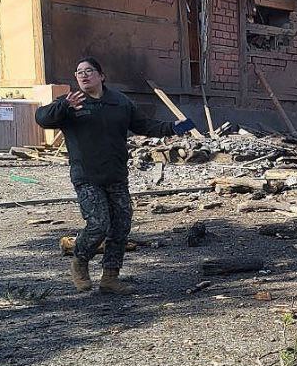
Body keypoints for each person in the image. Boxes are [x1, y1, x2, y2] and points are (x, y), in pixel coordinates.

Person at [36, 58, 194, 294]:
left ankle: (110, 278)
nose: (83, 75)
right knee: (98, 224)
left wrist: (174, 127)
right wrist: (64, 106)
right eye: (79, 72)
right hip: (87, 176)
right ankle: (79, 260)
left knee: (121, 226)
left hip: (116, 175)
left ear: (101, 76)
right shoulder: (70, 102)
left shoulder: (119, 102)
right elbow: (42, 118)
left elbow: (144, 125)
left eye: (89, 71)